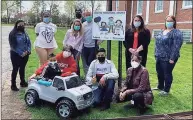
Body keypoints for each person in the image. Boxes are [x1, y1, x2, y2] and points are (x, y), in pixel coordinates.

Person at [154, 15, 183, 96]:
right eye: (167, 20)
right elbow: (157, 43)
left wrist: (172, 58)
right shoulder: (162, 31)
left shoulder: (176, 33)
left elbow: (176, 46)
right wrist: (156, 54)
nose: (168, 22)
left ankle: (166, 90)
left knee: (167, 73)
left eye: (170, 21)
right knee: (159, 72)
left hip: (168, 58)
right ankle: (160, 86)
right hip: (159, 56)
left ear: (174, 22)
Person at [8, 20, 31, 91]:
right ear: (16, 25)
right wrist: (21, 53)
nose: (22, 26)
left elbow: (29, 42)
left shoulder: (25, 33)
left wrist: (28, 50)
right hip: (15, 54)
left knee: (22, 68)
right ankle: (13, 85)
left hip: (26, 54)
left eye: (23, 25)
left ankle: (22, 82)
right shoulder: (12, 34)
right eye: (20, 25)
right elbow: (12, 46)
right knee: (15, 69)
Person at [81, 10, 101, 75]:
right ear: (84, 16)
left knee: (92, 62)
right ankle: (88, 77)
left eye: (89, 15)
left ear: (91, 15)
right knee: (86, 63)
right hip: (85, 47)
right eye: (86, 15)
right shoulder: (83, 24)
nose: (88, 16)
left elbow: (101, 33)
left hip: (93, 46)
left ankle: (94, 77)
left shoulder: (95, 23)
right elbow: (81, 35)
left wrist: (99, 41)